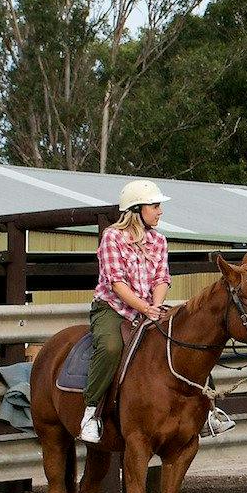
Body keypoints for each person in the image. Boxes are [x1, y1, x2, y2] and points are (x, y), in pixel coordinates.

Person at [78, 180, 173, 447]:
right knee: (109, 347)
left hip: (149, 307)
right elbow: (116, 283)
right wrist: (145, 309)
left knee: (183, 334)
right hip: (113, 309)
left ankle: (209, 409)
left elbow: (162, 278)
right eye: (155, 206)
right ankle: (91, 413)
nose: (160, 211)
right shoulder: (112, 237)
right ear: (137, 209)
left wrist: (154, 307)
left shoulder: (159, 240)